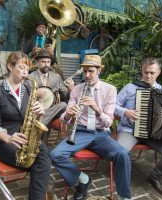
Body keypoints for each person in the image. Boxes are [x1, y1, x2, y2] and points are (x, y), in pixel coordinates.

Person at [50, 55, 132, 200]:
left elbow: (108, 123)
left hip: (101, 133)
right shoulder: (76, 89)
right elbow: (64, 120)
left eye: (91, 71)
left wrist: (97, 109)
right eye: (85, 71)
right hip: (80, 132)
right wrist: (68, 114)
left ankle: (124, 196)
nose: (87, 75)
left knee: (122, 154)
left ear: (99, 70)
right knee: (55, 155)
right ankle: (82, 179)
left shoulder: (110, 90)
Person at [114, 57, 162, 196]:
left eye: (152, 72)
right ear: (142, 71)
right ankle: (123, 184)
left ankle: (155, 176)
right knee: (120, 152)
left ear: (159, 73)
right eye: (146, 72)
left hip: (154, 134)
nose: (148, 75)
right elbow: (112, 106)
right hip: (129, 130)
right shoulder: (130, 87)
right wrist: (125, 112)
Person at [0, 52, 51, 200]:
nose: (25, 72)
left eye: (27, 69)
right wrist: (9, 138)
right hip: (5, 142)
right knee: (41, 162)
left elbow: (31, 118)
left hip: (26, 137)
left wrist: (40, 113)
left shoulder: (28, 89)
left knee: (44, 157)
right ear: (10, 66)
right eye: (21, 67)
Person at [27, 49, 74, 127]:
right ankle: (41, 123)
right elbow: (23, 97)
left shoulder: (56, 77)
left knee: (64, 105)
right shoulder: (30, 77)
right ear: (37, 62)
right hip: (34, 109)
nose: (46, 65)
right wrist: (34, 94)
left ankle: (40, 122)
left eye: (48, 62)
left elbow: (64, 96)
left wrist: (70, 89)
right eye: (43, 62)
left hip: (51, 110)